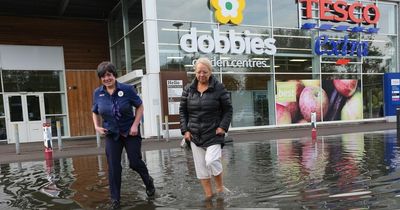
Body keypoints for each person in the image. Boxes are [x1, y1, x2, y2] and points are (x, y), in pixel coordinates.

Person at [92, 61, 155, 209]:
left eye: (109, 75)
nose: (106, 79)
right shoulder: (98, 93)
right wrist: (96, 126)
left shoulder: (127, 89)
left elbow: (140, 106)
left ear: (114, 75)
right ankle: (115, 199)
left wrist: (135, 125)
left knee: (134, 162)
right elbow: (95, 111)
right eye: (103, 76)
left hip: (130, 132)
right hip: (111, 134)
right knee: (114, 167)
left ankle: (148, 182)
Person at [179, 57, 233, 200]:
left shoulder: (219, 88)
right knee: (201, 169)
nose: (201, 75)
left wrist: (223, 127)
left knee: (211, 160)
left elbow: (228, 110)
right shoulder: (188, 89)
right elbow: (182, 111)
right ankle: (209, 196)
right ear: (194, 72)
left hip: (214, 133)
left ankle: (220, 186)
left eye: (205, 72)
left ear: (210, 72)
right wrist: (185, 130)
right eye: (198, 72)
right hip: (195, 134)